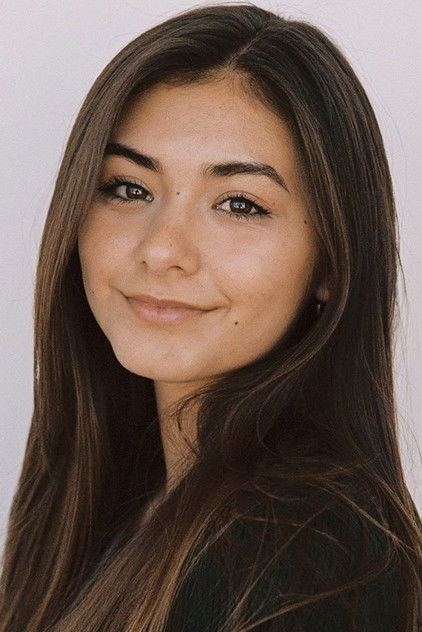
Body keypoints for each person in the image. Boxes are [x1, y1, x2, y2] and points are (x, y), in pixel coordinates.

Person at [0, 3, 421, 631]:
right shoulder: (119, 507)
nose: (162, 249)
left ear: (332, 262)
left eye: (240, 204)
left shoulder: (305, 552)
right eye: (129, 188)